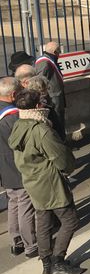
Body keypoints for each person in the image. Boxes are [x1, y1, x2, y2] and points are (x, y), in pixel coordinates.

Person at [9, 89, 83, 274]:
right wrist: (69, 167)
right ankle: (58, 260)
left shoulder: (18, 126)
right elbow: (61, 158)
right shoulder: (40, 130)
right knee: (70, 220)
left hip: (33, 181)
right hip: (50, 182)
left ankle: (46, 263)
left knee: (43, 221)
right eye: (41, 102)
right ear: (37, 106)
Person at [0, 77, 37, 258]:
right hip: (17, 166)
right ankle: (31, 245)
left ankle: (16, 242)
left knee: (13, 204)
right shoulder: (14, 117)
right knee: (25, 205)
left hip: (4, 167)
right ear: (13, 94)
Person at [34, 41, 66, 132]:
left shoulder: (51, 59)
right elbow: (40, 81)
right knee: (57, 122)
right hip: (52, 98)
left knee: (60, 120)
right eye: (59, 50)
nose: (60, 52)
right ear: (55, 51)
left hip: (56, 96)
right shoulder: (45, 62)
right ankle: (61, 143)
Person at [26, 75, 66, 141]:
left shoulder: (26, 104)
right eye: (46, 88)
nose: (48, 90)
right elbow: (55, 126)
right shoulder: (44, 106)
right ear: (42, 89)